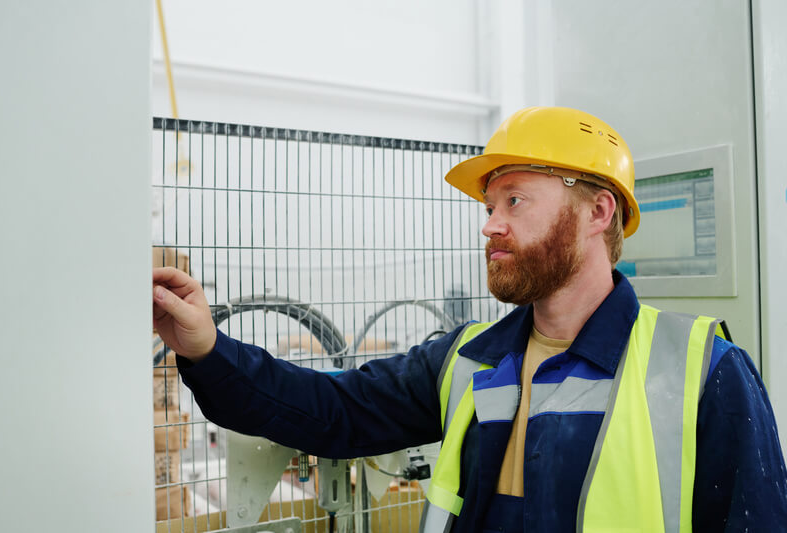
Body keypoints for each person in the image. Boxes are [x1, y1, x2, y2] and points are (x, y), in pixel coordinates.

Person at [152, 106, 787, 532]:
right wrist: (208, 350)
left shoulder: (703, 371)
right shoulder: (470, 358)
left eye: (515, 200)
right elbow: (331, 411)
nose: (490, 224)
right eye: (489, 205)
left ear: (598, 214)